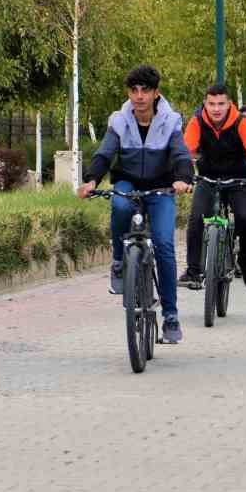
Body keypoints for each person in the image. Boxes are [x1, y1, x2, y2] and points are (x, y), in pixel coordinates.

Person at [78, 64, 194, 344]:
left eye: (145, 90)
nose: (139, 96)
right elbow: (105, 153)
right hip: (128, 182)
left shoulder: (171, 121)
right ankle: (119, 261)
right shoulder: (119, 120)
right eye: (134, 90)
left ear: (156, 93)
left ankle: (170, 316)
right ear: (129, 93)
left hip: (161, 187)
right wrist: (92, 179)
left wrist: (183, 179)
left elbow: (180, 154)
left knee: (165, 244)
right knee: (119, 206)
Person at [180, 84, 246, 292]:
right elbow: (186, 151)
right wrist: (182, 175)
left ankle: (245, 263)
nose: (216, 109)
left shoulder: (240, 122)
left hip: (239, 179)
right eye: (211, 104)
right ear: (205, 104)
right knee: (196, 218)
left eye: (221, 104)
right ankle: (193, 270)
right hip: (208, 178)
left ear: (229, 104)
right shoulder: (197, 121)